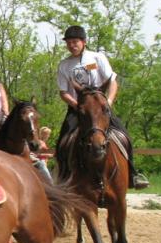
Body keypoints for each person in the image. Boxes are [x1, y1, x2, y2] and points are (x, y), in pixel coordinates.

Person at [55, 25, 148, 188]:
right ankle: (63, 176)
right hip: (78, 109)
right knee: (63, 141)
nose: (72, 45)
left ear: (84, 42)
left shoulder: (97, 58)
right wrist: (78, 105)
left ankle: (133, 174)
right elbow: (63, 92)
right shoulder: (64, 65)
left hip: (100, 108)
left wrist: (109, 102)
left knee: (124, 135)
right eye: (69, 42)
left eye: (75, 41)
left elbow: (112, 82)